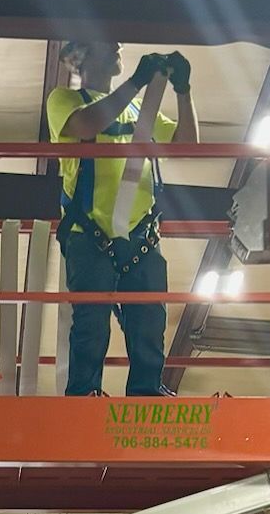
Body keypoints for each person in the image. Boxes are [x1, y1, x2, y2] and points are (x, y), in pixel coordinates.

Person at [46, 40, 198, 395]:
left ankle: (146, 393)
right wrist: (136, 81)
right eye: (106, 45)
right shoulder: (64, 100)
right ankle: (84, 394)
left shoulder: (138, 109)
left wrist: (183, 90)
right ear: (80, 58)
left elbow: (187, 144)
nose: (117, 47)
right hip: (88, 231)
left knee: (149, 321)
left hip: (140, 234)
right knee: (91, 324)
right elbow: (87, 125)